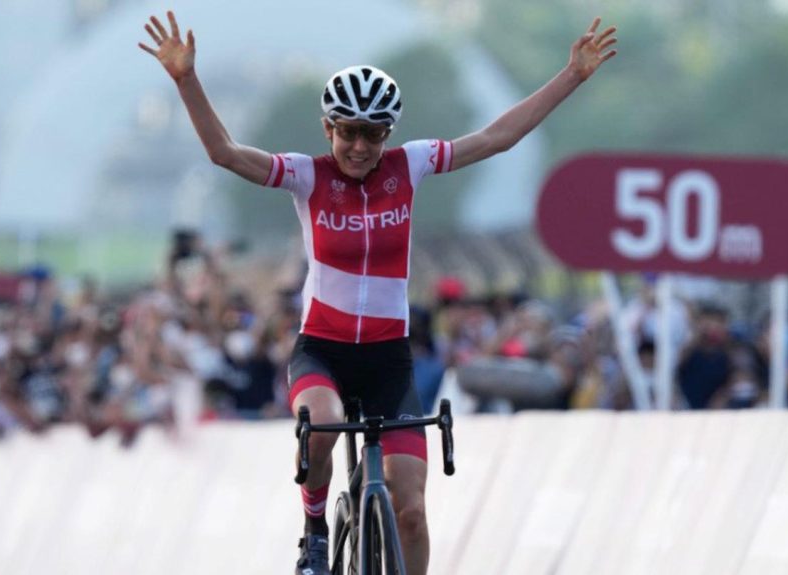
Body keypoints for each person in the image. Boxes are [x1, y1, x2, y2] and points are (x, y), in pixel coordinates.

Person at [139, 11, 617, 575]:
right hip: (324, 350)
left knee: (412, 510)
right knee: (320, 424)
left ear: (387, 134)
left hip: (390, 361)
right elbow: (224, 152)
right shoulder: (306, 176)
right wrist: (185, 79)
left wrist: (571, 76)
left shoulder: (409, 166)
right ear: (328, 129)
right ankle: (314, 532)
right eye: (348, 131)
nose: (359, 146)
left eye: (372, 134)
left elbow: (497, 137)